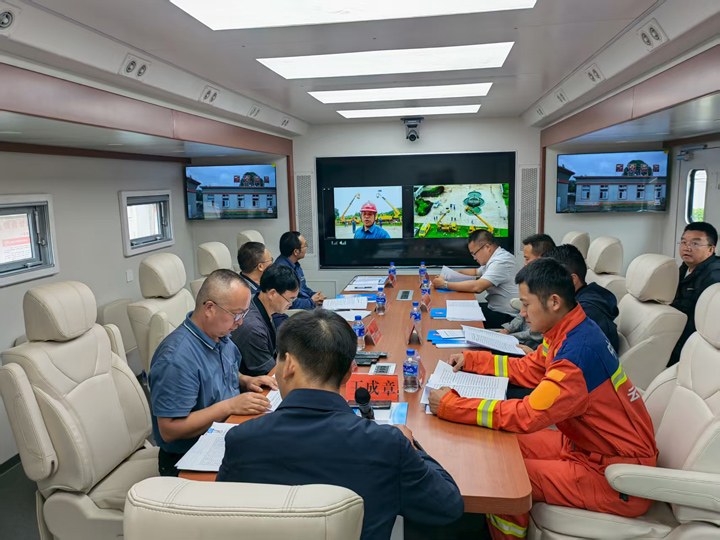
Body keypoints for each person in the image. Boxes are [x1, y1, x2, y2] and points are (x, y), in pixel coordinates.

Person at [428, 258, 657, 540]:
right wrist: (473, 360)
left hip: (616, 477)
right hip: (585, 446)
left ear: (554, 302)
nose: (522, 312)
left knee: (506, 475)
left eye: (527, 304)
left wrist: (451, 405)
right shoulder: (570, 329)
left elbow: (526, 416)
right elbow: (530, 368)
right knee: (497, 444)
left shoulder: (575, 357)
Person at [218, 309, 464, 540]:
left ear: (289, 365)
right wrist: (412, 447)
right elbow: (449, 507)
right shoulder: (387, 444)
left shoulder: (243, 439)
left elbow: (218, 514)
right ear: (349, 373)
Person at [148, 269, 277, 476]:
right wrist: (229, 406)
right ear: (209, 308)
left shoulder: (219, 335)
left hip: (225, 432)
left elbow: (219, 371)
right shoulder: (176, 359)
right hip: (189, 458)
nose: (240, 322)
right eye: (236, 314)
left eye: (244, 314)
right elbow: (169, 430)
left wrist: (246, 380)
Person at [431, 230, 519, 327]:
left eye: (474, 253)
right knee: (459, 312)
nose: (474, 258)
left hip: (506, 317)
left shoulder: (501, 262)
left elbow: (477, 287)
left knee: (458, 320)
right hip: (495, 309)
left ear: (487, 247)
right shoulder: (495, 257)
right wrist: (448, 276)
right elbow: (475, 272)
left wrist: (444, 284)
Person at [543, 244, 620, 353]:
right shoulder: (578, 301)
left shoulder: (585, 313)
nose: (543, 286)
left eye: (549, 280)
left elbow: (569, 356)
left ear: (572, 280)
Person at [230, 265, 299, 377]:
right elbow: (272, 374)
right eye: (290, 299)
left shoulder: (256, 302)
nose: (290, 304)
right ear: (272, 294)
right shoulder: (254, 329)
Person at [668, 222, 720, 366]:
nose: (687, 247)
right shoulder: (685, 267)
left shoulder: (714, 276)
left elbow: (700, 321)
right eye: (684, 242)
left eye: (695, 244)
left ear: (710, 249)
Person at [501, 234, 556, 351]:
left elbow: (535, 334)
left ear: (541, 258)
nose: (525, 263)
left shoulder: (549, 284)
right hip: (521, 337)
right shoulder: (531, 279)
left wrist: (509, 337)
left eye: (527, 259)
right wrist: (508, 329)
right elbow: (521, 313)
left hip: (530, 343)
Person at [275, 231, 326, 310]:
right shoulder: (281, 271)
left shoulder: (295, 264)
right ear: (296, 252)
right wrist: (311, 301)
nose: (306, 248)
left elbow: (303, 289)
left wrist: (316, 296)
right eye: (305, 246)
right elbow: (289, 302)